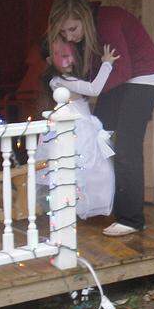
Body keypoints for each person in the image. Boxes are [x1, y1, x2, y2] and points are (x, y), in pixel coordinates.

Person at [46, 0, 154, 236]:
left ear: (84, 18)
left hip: (144, 77)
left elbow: (121, 70)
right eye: (64, 33)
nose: (69, 37)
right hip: (121, 78)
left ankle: (132, 219)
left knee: (126, 145)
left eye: (72, 29)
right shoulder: (86, 31)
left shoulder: (109, 23)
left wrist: (87, 91)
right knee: (98, 133)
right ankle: (101, 202)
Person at [36, 36, 118, 219]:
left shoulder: (68, 78)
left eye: (67, 53)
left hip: (85, 125)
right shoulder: (58, 80)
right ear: (50, 60)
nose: (66, 59)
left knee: (97, 170)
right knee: (76, 169)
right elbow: (93, 89)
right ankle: (71, 208)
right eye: (58, 55)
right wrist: (107, 64)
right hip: (75, 129)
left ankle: (86, 206)